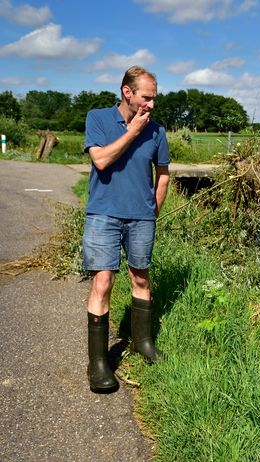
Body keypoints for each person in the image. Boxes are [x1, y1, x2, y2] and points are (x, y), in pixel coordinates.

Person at [82, 66, 170, 392]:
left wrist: (152, 210)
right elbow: (101, 160)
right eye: (146, 98)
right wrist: (132, 132)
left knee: (141, 277)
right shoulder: (99, 118)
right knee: (103, 282)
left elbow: (163, 174)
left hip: (141, 218)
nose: (151, 105)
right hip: (103, 214)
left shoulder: (158, 132)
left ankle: (142, 343)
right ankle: (98, 363)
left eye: (154, 99)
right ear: (127, 92)